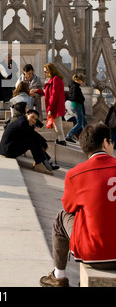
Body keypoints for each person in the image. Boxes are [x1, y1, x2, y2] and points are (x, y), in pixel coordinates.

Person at [40, 123, 116, 287]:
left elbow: (69, 207)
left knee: (62, 217)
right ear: (105, 142)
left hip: (95, 255)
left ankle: (59, 276)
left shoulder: (76, 173)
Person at [0, 109, 59, 174]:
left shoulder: (23, 120)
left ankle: (46, 161)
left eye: (35, 119)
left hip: (9, 148)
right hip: (8, 151)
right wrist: (44, 144)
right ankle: (41, 163)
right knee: (31, 140)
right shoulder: (22, 123)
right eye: (32, 117)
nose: (33, 120)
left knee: (32, 140)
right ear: (26, 115)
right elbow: (33, 134)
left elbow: (32, 133)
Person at [33, 63, 66, 145]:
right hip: (54, 105)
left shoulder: (56, 79)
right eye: (44, 72)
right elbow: (46, 93)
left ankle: (62, 140)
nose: (45, 73)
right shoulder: (53, 79)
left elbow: (54, 95)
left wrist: (50, 109)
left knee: (58, 125)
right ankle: (60, 139)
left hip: (55, 105)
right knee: (56, 125)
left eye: (46, 71)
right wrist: (37, 91)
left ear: (51, 71)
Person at [65, 74, 87, 143]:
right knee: (79, 123)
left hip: (77, 106)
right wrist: (81, 99)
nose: (82, 82)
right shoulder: (75, 87)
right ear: (79, 80)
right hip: (77, 106)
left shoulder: (73, 86)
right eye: (82, 81)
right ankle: (69, 136)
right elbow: (74, 97)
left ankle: (86, 138)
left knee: (84, 123)